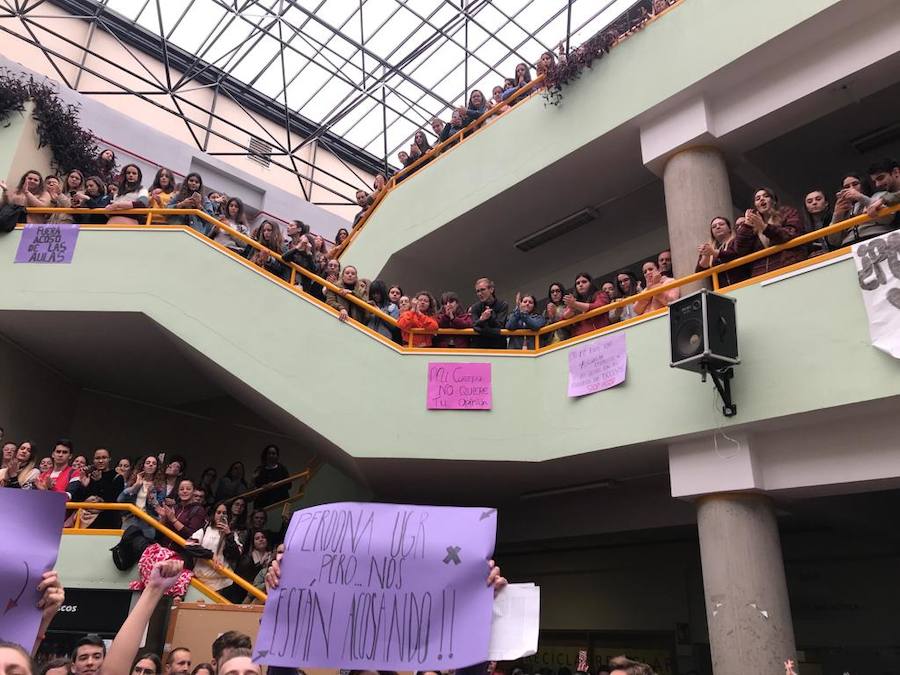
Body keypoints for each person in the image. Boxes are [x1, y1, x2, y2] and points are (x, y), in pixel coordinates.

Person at [735, 187, 805, 276]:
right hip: (761, 274)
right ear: (755, 205)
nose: (761, 199)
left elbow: (791, 233)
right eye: (758, 198)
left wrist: (765, 228)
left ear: (773, 201)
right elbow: (740, 250)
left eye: (766, 196)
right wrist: (747, 225)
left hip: (787, 268)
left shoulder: (787, 213)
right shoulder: (753, 223)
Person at [187, 503, 242, 596]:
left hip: (220, 582)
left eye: (224, 513)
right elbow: (189, 545)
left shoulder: (232, 535)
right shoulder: (204, 530)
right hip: (199, 578)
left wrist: (228, 535)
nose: (221, 515)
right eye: (218, 512)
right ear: (214, 514)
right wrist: (211, 555)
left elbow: (236, 554)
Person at [117, 455, 166, 538]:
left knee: (146, 549)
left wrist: (150, 497)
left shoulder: (160, 486)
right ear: (143, 466)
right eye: (148, 463)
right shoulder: (133, 481)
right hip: (130, 521)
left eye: (154, 463)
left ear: (156, 468)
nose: (151, 465)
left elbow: (159, 509)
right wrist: (135, 486)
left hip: (148, 524)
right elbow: (120, 499)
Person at [695, 216, 750, 288]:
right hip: (722, 291)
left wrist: (714, 253)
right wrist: (706, 255)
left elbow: (734, 254)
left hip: (743, 284)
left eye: (721, 224)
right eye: (714, 227)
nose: (718, 227)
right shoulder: (709, 247)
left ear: (729, 228)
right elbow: (699, 272)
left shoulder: (737, 240)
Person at [826, 173, 875, 248]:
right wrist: (837, 214)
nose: (851, 189)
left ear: (863, 185)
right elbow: (834, 241)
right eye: (847, 187)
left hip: (875, 238)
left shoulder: (877, 197)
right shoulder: (843, 210)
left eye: (855, 184)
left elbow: (888, 218)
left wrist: (860, 197)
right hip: (849, 246)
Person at [82, 447, 122, 529]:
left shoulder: (117, 477)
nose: (100, 461)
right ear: (93, 460)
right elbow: (81, 498)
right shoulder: (89, 476)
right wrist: (83, 485)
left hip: (109, 521)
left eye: (104, 458)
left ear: (109, 459)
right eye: (97, 458)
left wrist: (100, 481)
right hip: (88, 522)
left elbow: (112, 498)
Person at [470, 278, 509, 349]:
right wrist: (482, 319)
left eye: (482, 290)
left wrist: (489, 318)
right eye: (477, 291)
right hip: (479, 347)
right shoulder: (475, 307)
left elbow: (500, 326)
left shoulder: (503, 305)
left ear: (491, 289)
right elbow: (474, 326)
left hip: (498, 347)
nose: (479, 293)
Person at [253, 445, 290, 510]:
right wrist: (263, 486)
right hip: (262, 503)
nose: (271, 455)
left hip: (279, 501)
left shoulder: (282, 469)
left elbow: (289, 485)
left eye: (273, 453)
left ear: (277, 456)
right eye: (269, 453)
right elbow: (256, 485)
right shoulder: (260, 469)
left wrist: (274, 484)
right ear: (266, 455)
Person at [802, 188, 833, 255]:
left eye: (818, 199)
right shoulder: (803, 228)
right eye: (810, 201)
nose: (814, 203)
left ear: (826, 203)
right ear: (806, 207)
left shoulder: (835, 219)